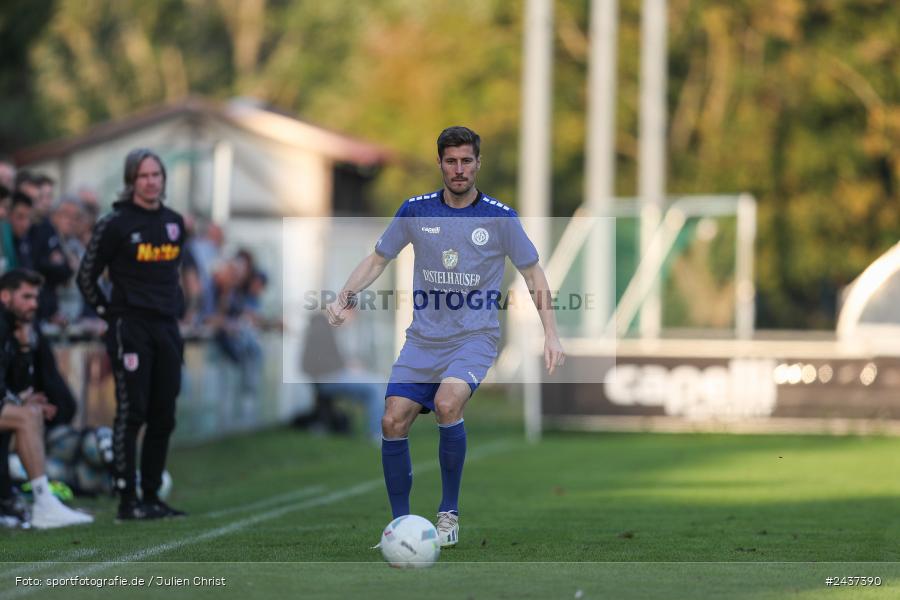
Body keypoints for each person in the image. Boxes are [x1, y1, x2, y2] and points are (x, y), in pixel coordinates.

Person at [326, 126, 565, 547]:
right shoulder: (416, 211)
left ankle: (448, 515)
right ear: (439, 163)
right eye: (451, 161)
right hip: (423, 341)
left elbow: (533, 274)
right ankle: (401, 528)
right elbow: (378, 259)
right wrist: (344, 296)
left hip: (474, 338)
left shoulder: (499, 217)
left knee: (446, 402)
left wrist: (551, 333)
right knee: (391, 420)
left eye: (466, 161)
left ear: (478, 163)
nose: (459, 169)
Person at [77, 148, 187, 521]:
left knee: (164, 414)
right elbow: (86, 277)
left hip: (167, 328)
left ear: (163, 179)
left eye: (156, 174)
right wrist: (111, 314)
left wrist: (179, 309)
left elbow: (174, 276)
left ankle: (153, 496)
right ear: (131, 181)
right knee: (132, 412)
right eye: (143, 176)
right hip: (131, 328)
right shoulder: (115, 223)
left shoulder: (174, 222)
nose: (151, 181)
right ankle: (127, 499)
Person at [0, 269, 93, 528]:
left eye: (36, 297)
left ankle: (9, 496)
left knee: (30, 414)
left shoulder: (15, 328)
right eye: (26, 296)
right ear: (4, 296)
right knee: (26, 416)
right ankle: (44, 502)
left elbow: (13, 383)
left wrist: (25, 350)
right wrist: (17, 403)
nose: (34, 304)